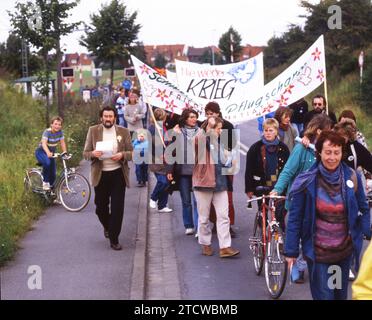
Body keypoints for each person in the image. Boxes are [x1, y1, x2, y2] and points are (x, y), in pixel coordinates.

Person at [284, 130, 371, 300]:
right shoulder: (307, 181)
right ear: (319, 153)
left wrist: (366, 232)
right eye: (328, 152)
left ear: (342, 153)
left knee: (338, 295)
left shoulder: (352, 177)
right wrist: (291, 251)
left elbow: (364, 207)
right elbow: (295, 218)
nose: (332, 157)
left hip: (343, 254)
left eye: (336, 153)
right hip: (319, 255)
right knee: (325, 296)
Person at [271, 114, 333, 283]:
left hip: (319, 202)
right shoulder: (301, 149)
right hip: (298, 200)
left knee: (315, 236)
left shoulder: (326, 150)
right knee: (296, 234)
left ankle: (306, 264)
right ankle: (297, 266)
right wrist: (277, 189)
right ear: (319, 131)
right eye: (328, 129)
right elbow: (288, 171)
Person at [83, 106, 133, 251]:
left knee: (118, 209)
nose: (108, 119)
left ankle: (114, 239)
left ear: (115, 118)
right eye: (106, 116)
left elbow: (132, 152)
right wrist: (93, 153)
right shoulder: (93, 130)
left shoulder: (123, 131)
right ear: (101, 118)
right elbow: (85, 153)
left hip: (118, 174)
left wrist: (122, 155)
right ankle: (107, 226)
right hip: (101, 174)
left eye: (111, 116)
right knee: (100, 207)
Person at [193, 116, 239, 258]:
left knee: (223, 216)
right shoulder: (202, 140)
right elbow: (198, 138)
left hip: (220, 184)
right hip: (204, 184)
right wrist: (208, 125)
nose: (220, 131)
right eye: (218, 129)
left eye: (220, 129)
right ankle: (205, 244)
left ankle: (225, 247)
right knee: (204, 218)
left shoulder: (219, 143)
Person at [245, 118, 290, 227]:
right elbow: (249, 169)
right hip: (261, 185)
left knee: (279, 215)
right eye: (266, 130)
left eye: (271, 130)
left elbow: (288, 170)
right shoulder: (255, 148)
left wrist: (288, 187)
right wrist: (249, 189)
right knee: (263, 213)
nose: (268, 133)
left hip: (278, 186)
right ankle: (263, 237)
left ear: (276, 131)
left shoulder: (283, 148)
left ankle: (279, 237)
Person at [203, 102, 238, 237]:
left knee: (227, 196)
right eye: (207, 113)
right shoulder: (204, 125)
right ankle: (214, 222)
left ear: (217, 113)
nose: (209, 116)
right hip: (209, 166)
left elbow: (232, 146)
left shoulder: (227, 126)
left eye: (211, 113)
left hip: (226, 163)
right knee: (211, 196)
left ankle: (228, 224)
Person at [167, 108, 200, 236]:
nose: (193, 119)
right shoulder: (178, 132)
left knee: (198, 201)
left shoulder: (201, 132)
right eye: (191, 117)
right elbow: (171, 152)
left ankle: (198, 227)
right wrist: (169, 169)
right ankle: (189, 225)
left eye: (195, 117)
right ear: (185, 118)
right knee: (186, 200)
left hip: (197, 172)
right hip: (183, 172)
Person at [148, 108, 173, 213]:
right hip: (156, 160)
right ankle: (153, 197)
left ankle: (162, 205)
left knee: (166, 183)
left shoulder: (163, 127)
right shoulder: (153, 129)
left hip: (165, 160)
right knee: (162, 181)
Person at [35, 116, 67, 190]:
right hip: (41, 152)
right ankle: (45, 182)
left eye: (59, 124)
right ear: (51, 124)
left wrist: (65, 152)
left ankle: (51, 193)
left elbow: (62, 143)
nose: (57, 126)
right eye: (55, 124)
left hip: (51, 153)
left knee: (53, 173)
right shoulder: (47, 132)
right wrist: (48, 152)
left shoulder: (60, 132)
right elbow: (44, 143)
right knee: (47, 163)